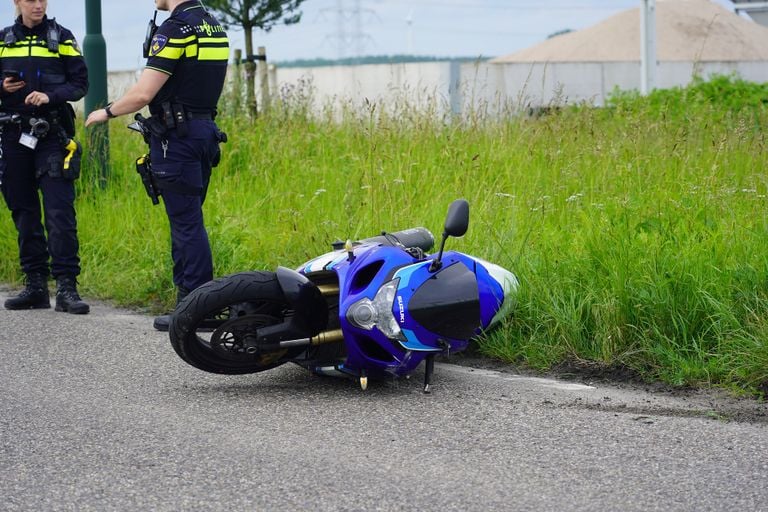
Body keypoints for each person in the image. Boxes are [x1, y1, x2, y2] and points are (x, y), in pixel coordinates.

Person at [86, 0, 229, 331]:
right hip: (203, 131)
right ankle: (188, 305)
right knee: (189, 219)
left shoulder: (175, 29)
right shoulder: (213, 26)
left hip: (177, 138)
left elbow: (143, 95)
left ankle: (195, 309)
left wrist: (104, 112)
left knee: (186, 223)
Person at [0, 0, 89, 314]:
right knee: (23, 211)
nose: (37, 5)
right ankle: (35, 286)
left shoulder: (61, 37)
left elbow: (81, 84)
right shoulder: (3, 40)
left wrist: (50, 95)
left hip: (52, 136)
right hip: (12, 138)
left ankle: (67, 288)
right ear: (17, 3)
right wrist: (3, 86)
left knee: (59, 212)